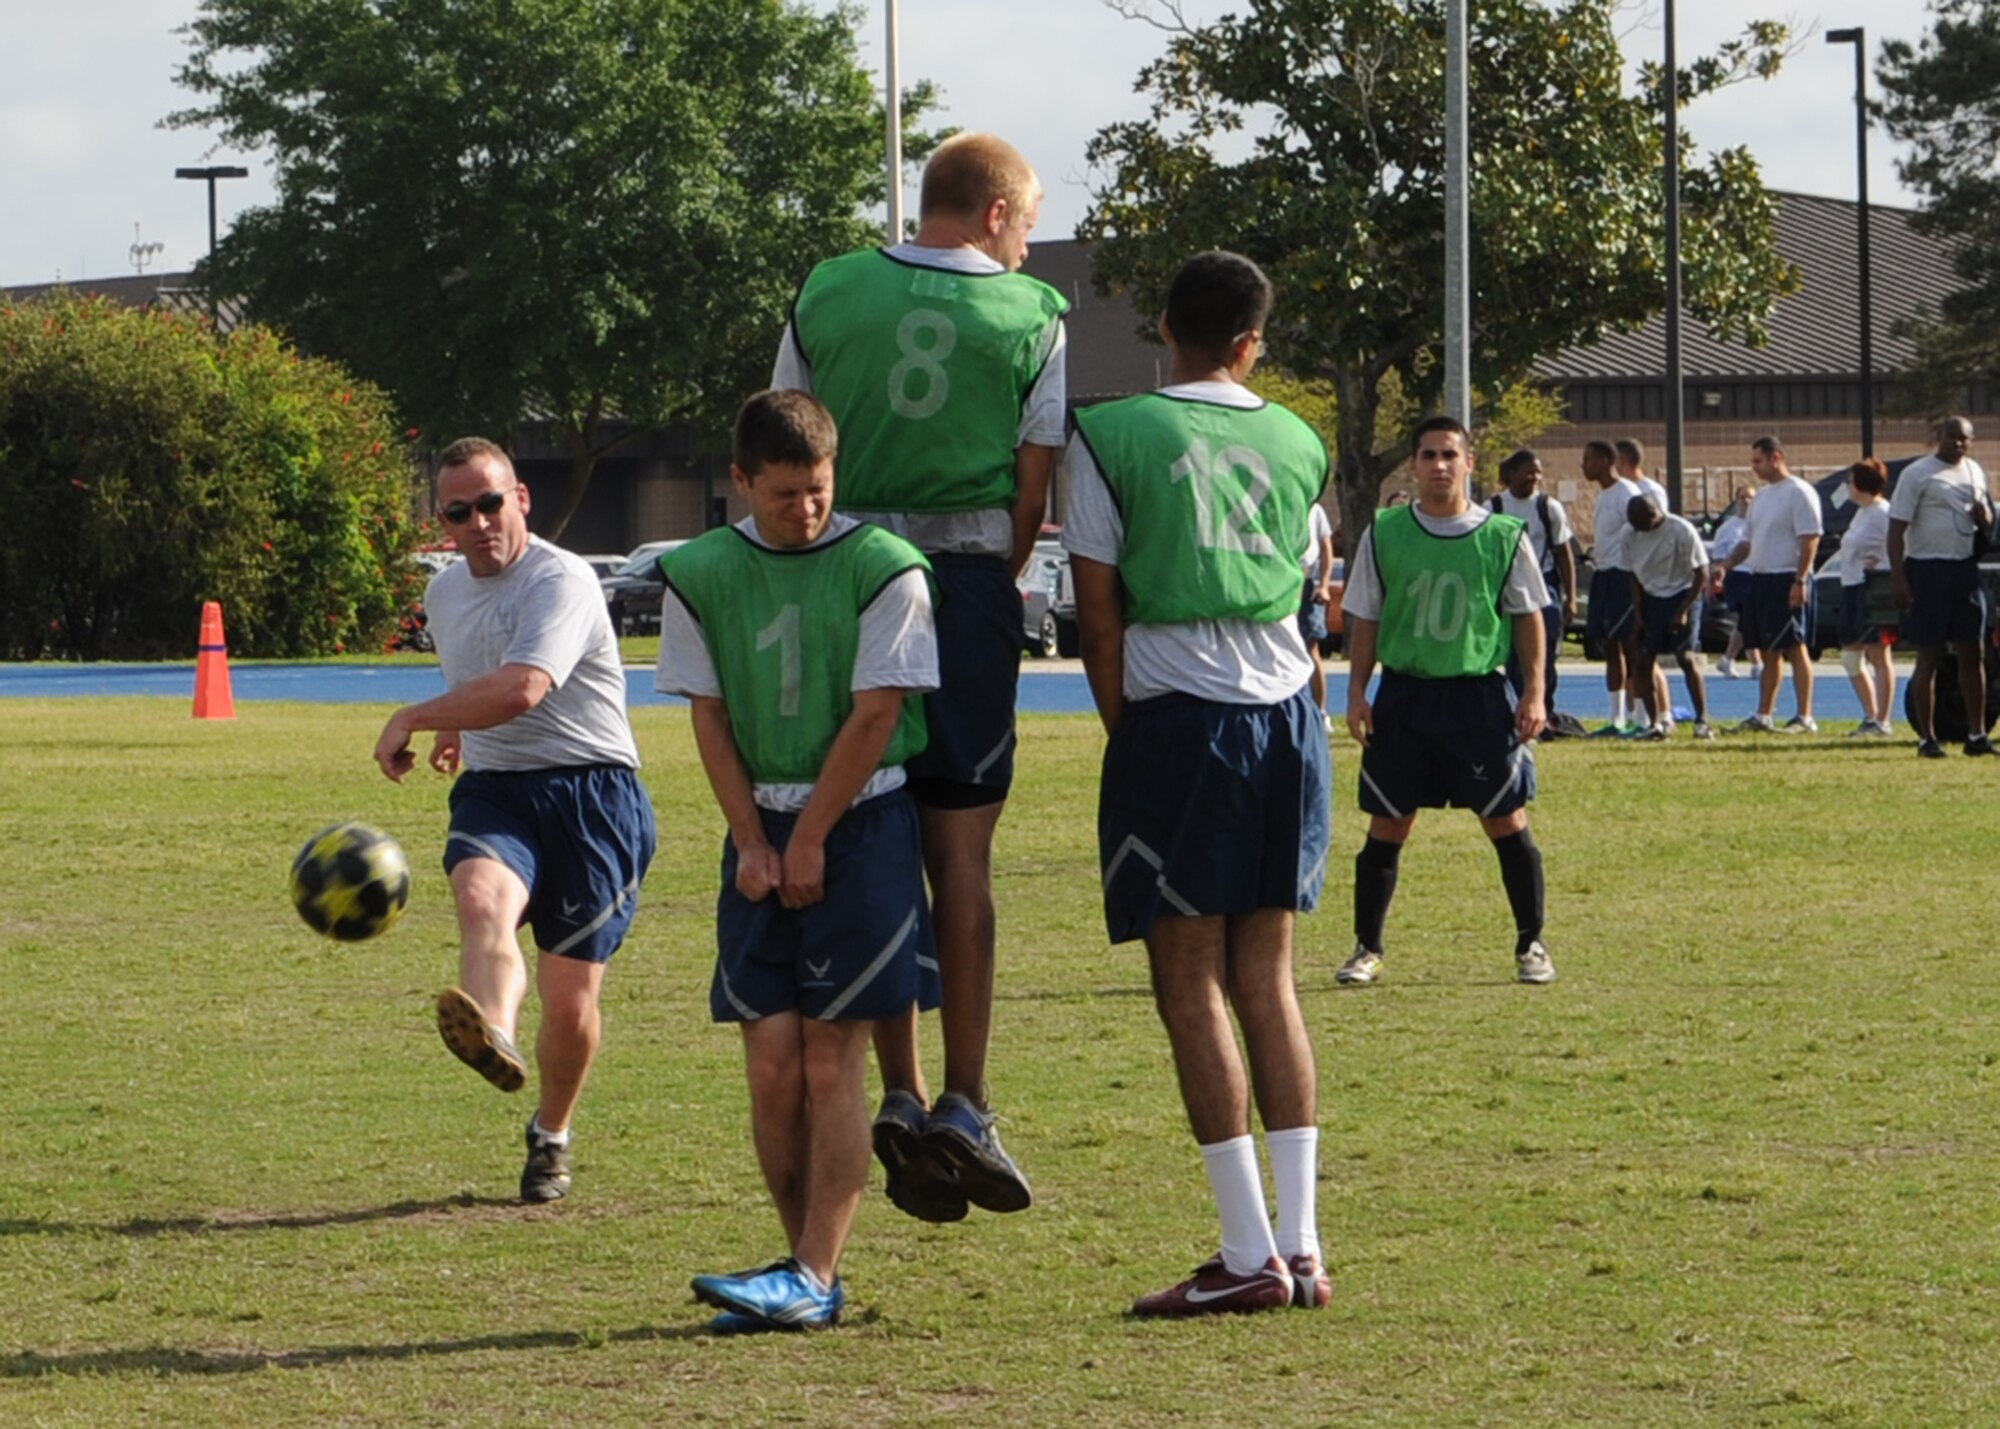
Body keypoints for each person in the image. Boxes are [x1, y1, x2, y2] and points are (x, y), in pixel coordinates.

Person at [773, 131, 1067, 1222]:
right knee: (963, 852)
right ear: (993, 214)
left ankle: (895, 1089)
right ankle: (966, 1098)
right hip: (961, 582)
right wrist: (989, 568)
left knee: (874, 835)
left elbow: (786, 438)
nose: (1028, 244)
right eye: (1027, 223)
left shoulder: (829, 285)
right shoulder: (1031, 314)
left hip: (841, 576)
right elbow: (1031, 485)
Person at [1064, 251, 1331, 1317]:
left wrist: (1132, 734)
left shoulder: (1112, 432)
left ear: (1160, 326)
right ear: (1251, 342)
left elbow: (1096, 616)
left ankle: (1242, 1251)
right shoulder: (1299, 438)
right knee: (1266, 978)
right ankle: (1300, 1245)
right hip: (1288, 717)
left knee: (1186, 983)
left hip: (1181, 721)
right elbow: (1309, 581)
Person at [660, 391, 941, 1333]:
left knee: (831, 1063)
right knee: (771, 1069)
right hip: (761, 825)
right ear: (739, 481)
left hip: (861, 825)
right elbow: (709, 715)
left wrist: (810, 836)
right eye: (783, 493)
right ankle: (802, 1269)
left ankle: (814, 1271)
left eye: (817, 489)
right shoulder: (699, 572)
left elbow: (876, 713)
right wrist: (750, 838)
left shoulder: (883, 567)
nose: (805, 509)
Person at [373, 438, 657, 1204]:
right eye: (459, 512)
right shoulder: (445, 595)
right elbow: (477, 679)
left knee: (570, 1002)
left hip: (593, 796)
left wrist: (415, 715)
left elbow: (524, 686)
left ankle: (552, 1134)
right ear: (443, 521)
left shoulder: (560, 579)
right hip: (498, 789)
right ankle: (491, 1028)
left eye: (491, 503)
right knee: (479, 901)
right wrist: (455, 730)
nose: (479, 522)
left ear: (521, 498)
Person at [1337, 416, 1554, 989]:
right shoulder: (1384, 532)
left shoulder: (1502, 536)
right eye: (1428, 455)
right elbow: (1366, 616)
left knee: (1507, 821)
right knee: (1387, 825)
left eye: (1449, 455)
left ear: (1469, 464)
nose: (1439, 465)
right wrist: (1358, 691)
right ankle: (1367, 947)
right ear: (1414, 463)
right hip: (1405, 697)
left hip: (1476, 697)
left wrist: (1534, 691)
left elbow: (1529, 616)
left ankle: (1531, 942)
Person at [1888, 416, 1996, 757]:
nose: (1958, 443)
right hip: (1927, 568)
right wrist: (1899, 577)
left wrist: (1985, 519)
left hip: (1963, 568)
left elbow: (1989, 522)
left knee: (1972, 651)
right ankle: (1927, 739)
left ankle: (1977, 735)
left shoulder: (1975, 472)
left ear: (1971, 441)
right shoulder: (1918, 474)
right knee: (1930, 653)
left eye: (1964, 438)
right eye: (1952, 437)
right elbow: (1895, 530)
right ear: (1940, 437)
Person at [1714, 436, 1822, 734]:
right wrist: (1725, 566)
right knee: (1768, 649)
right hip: (1761, 579)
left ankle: (1805, 717)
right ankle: (1764, 715)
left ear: (1776, 457)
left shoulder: (1799, 492)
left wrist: (1800, 580)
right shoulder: (1761, 497)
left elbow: (1810, 537)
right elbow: (1748, 542)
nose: (1754, 467)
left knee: (1794, 647)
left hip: (1788, 577)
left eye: (1758, 461)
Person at [1489, 449, 1576, 727]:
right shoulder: (1493, 508)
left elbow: (1564, 553)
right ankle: (1514, 708)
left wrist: (1571, 597)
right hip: (1507, 587)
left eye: (1538, 471)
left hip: (1543, 585)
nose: (1534, 477)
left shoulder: (1548, 507)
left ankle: (1544, 711)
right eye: (1529, 471)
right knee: (1513, 653)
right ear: (1511, 474)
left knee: (1544, 652)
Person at [1624, 494, 1715, 740]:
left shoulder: (1680, 529)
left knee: (1685, 658)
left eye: (1640, 522)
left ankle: (1702, 721)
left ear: (1653, 514)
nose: (1636, 529)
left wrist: (1683, 611)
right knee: (1643, 660)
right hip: (1652, 597)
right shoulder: (1630, 535)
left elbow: (1701, 573)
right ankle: (1656, 725)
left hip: (1683, 593)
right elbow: (1633, 576)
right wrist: (1639, 613)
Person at [1580, 441, 1644, 735]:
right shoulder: (1603, 496)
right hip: (1604, 574)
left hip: (1623, 574)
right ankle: (1616, 717)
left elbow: (1641, 534)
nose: (1584, 466)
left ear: (1607, 460)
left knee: (1631, 645)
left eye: (1589, 460)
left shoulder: (1626, 493)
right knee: (1608, 644)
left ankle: (1643, 715)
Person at [1837, 459, 1897, 737]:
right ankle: (1870, 715)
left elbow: (1898, 548)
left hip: (1872, 589)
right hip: (1851, 587)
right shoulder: (1861, 513)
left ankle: (1882, 720)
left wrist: (1882, 566)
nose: (1847, 487)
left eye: (1850, 481)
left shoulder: (1883, 512)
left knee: (1878, 655)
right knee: (1850, 656)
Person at [1708, 487, 1762, 679]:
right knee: (1747, 617)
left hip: (1757, 574)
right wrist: (1717, 577)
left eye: (1751, 498)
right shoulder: (1728, 528)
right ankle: (1754, 663)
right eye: (1743, 497)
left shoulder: (1761, 523)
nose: (1747, 501)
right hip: (1738, 576)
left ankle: (1729, 659)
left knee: (1748, 621)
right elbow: (1718, 557)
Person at [1300, 501, 1336, 726]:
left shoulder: (1315, 509)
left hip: (1307, 583)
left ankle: (1320, 712)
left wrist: (1323, 585)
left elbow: (1326, 548)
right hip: (1281, 582)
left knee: (1311, 647)